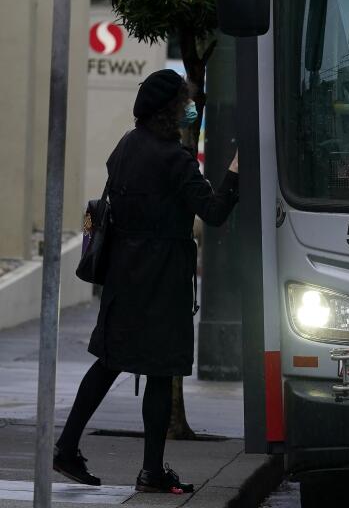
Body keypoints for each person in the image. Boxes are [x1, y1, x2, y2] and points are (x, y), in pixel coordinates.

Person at [53, 70, 240, 492]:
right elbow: (213, 212)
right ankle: (150, 471)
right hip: (162, 276)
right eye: (183, 100)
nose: (189, 107)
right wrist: (235, 172)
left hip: (124, 272)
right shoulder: (175, 159)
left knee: (109, 361)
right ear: (169, 109)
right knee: (160, 370)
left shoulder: (127, 145)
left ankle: (66, 446)